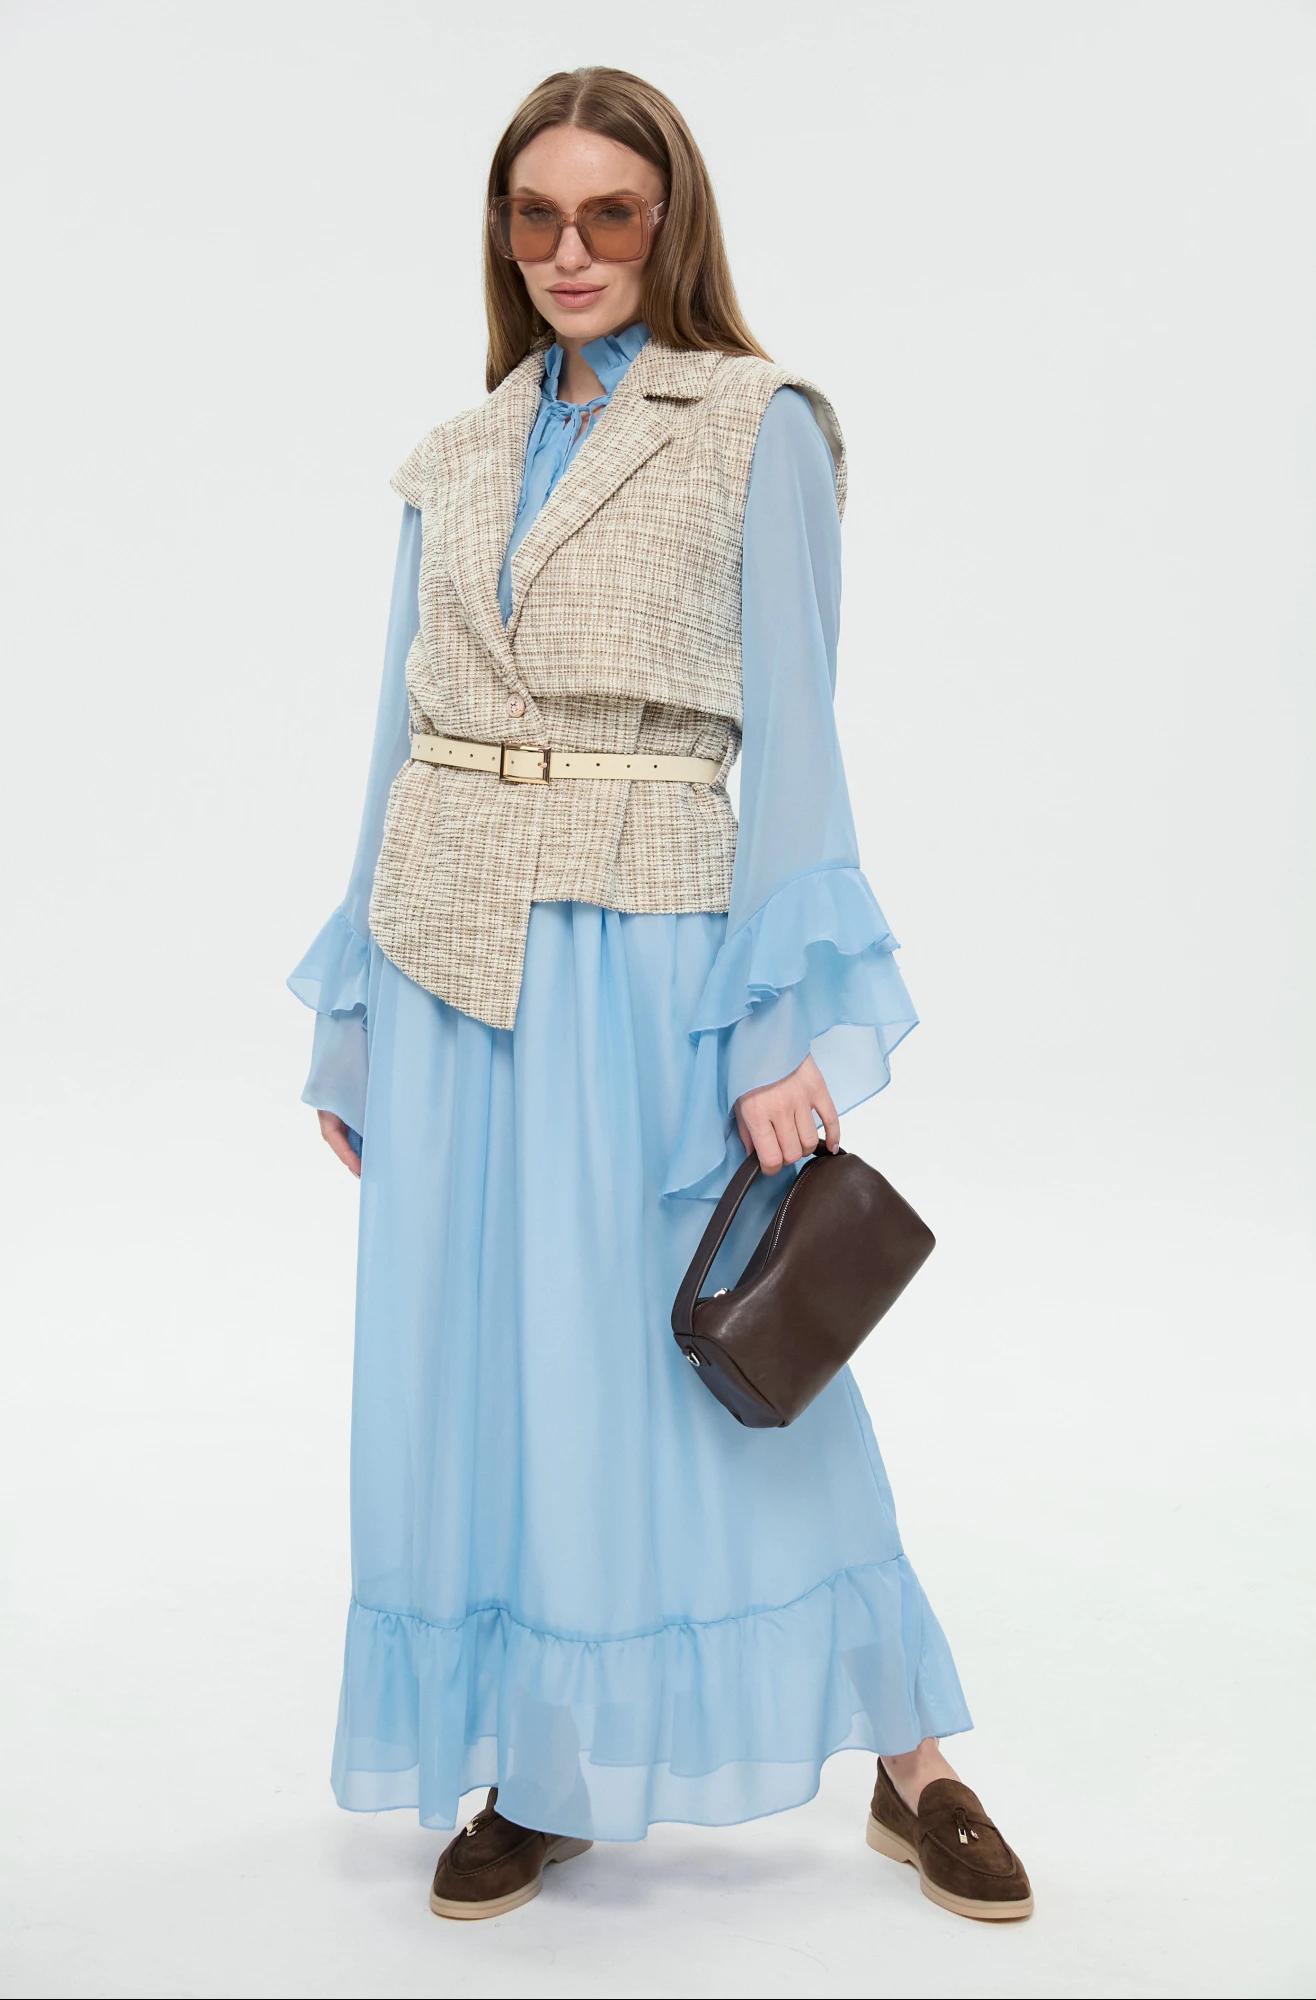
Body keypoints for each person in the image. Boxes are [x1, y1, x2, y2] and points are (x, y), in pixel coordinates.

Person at [289, 64, 1031, 1925]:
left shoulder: (753, 426)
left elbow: (798, 733)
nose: (569, 250)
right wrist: (352, 1014)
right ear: (501, 232)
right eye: (536, 215)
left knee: (714, 1350)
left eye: (606, 213)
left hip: (649, 947)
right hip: (448, 951)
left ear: (667, 221)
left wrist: (777, 1020)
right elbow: (392, 736)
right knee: (497, 1361)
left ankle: (915, 1758)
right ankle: (544, 1766)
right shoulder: (456, 454)